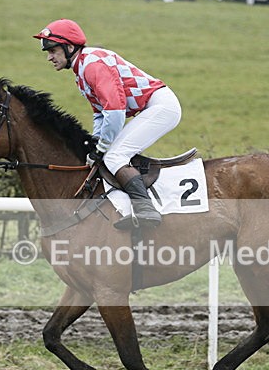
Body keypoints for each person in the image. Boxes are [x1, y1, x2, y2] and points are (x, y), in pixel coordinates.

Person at [32, 19, 181, 229]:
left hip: (161, 107)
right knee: (107, 156)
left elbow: (115, 110)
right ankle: (128, 209)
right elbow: (100, 114)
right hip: (150, 107)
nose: (49, 57)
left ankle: (146, 209)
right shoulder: (81, 69)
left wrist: (101, 148)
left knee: (114, 155)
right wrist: (95, 142)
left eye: (53, 51)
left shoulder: (92, 65)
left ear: (70, 47)